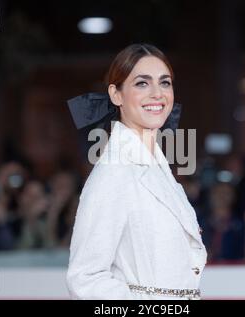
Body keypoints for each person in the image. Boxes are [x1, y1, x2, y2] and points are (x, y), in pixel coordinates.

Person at [66, 44, 206, 300]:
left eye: (165, 83)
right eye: (142, 84)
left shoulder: (158, 168)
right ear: (116, 94)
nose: (157, 94)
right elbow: (84, 280)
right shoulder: (114, 173)